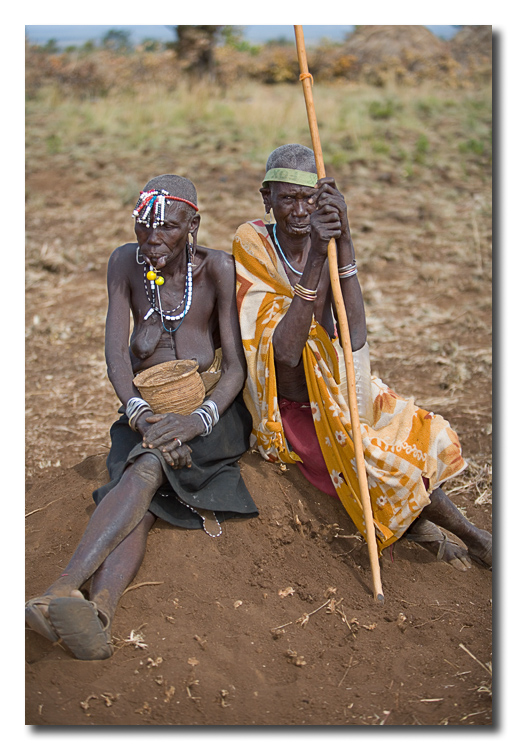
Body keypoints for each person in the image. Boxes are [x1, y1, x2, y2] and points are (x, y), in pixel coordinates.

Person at [25, 174, 257, 660]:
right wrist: (140, 415)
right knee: (143, 505)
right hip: (145, 416)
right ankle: (100, 613)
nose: (153, 240)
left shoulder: (217, 268)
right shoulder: (125, 265)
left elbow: (235, 368)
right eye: (143, 228)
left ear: (193, 224)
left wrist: (198, 420)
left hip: (211, 417)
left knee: (147, 467)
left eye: (168, 229)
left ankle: (63, 587)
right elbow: (116, 357)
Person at [232, 144, 491, 571]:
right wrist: (317, 255)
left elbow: (354, 337)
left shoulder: (329, 238)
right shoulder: (253, 243)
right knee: (381, 461)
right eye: (288, 198)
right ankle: (475, 538)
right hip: (292, 410)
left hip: (338, 383)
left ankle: (422, 524)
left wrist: (344, 241)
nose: (300, 210)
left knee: (418, 435)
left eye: (309, 198)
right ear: (267, 200)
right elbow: (284, 352)